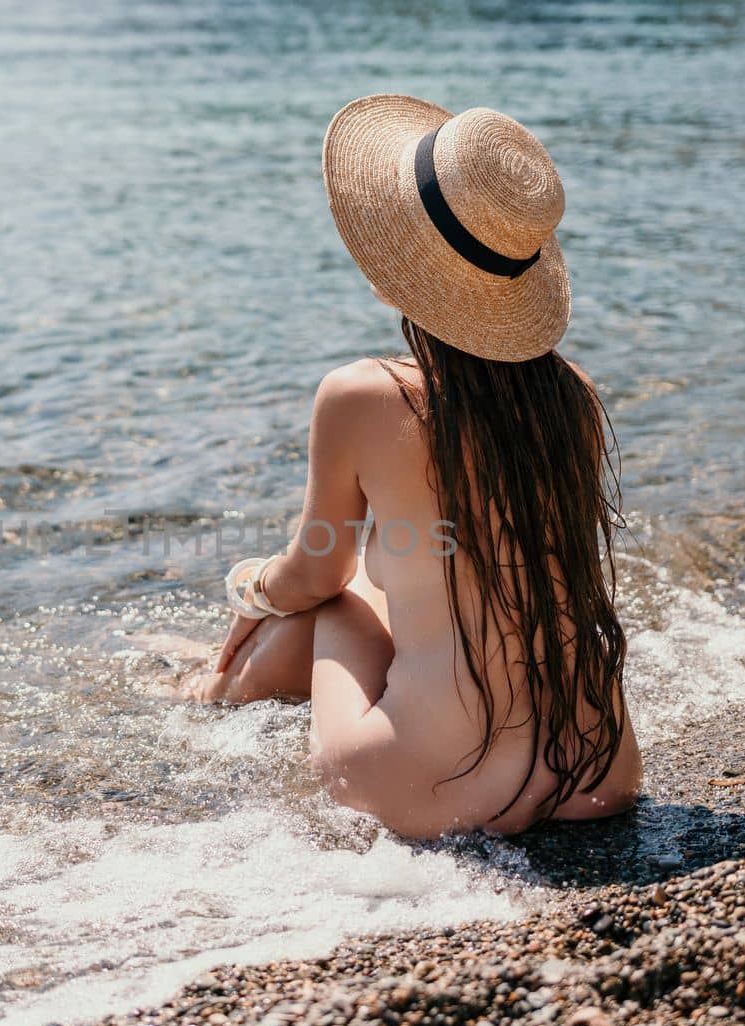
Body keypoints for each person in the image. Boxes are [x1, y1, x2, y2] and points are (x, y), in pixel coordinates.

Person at [183, 94, 642, 837]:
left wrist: (249, 587)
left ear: (396, 266)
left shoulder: (362, 395)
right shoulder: (573, 396)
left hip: (430, 787)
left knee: (338, 596)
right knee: (387, 564)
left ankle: (207, 687)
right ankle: (206, 676)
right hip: (599, 772)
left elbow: (314, 575)